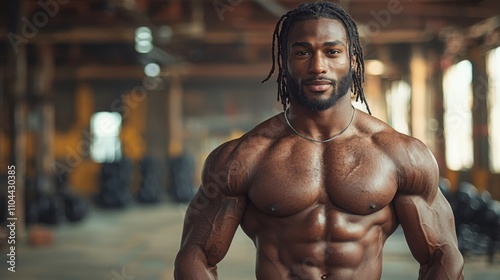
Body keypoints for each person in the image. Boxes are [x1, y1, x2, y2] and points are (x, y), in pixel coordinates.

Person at [174, 1, 464, 279]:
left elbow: (443, 256)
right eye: (302, 53)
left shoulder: (401, 154)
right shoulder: (243, 157)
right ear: (284, 61)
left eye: (332, 52)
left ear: (352, 60)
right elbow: (196, 255)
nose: (317, 66)